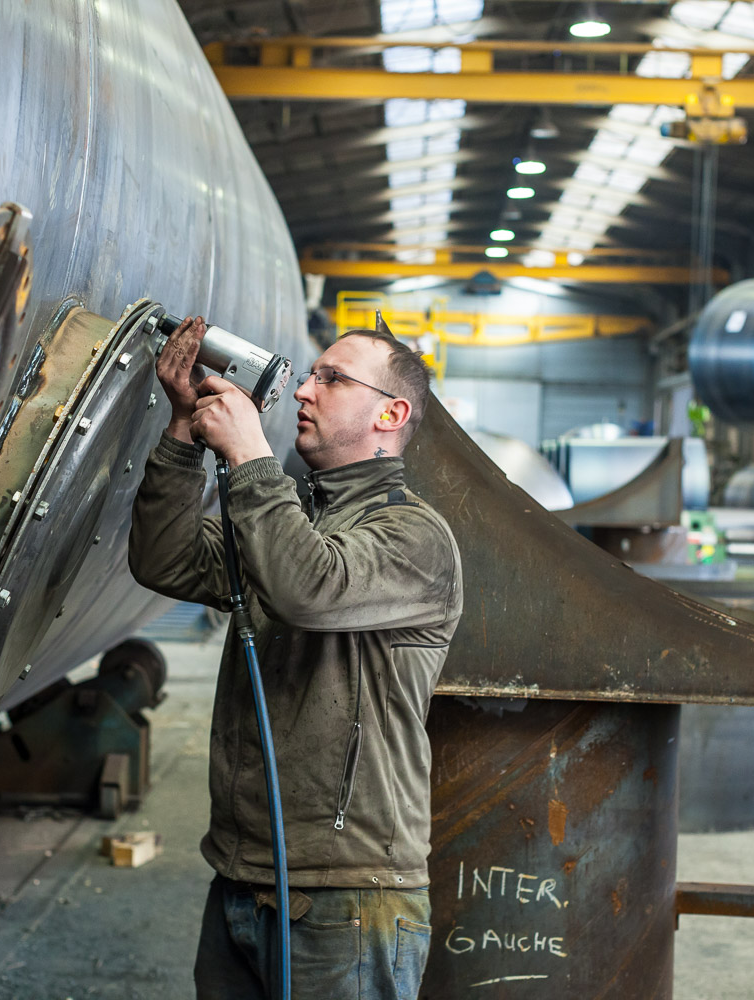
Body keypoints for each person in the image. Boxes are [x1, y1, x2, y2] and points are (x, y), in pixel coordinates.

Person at [128, 317, 463, 1000]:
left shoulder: (414, 537)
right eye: (311, 375)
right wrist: (183, 437)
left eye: (332, 379)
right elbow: (165, 559)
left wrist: (251, 457)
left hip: (348, 896)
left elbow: (307, 588)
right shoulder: (287, 521)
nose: (305, 391)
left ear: (390, 414)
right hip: (243, 872)